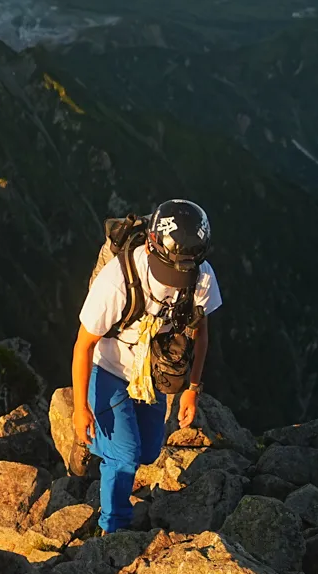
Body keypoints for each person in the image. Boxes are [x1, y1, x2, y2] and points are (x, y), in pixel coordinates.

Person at [71, 199, 220, 534]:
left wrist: (193, 390)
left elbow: (201, 333)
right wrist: (80, 408)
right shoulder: (117, 281)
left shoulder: (200, 276)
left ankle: (95, 444)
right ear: (152, 249)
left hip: (150, 374)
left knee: (149, 452)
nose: (175, 280)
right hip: (108, 367)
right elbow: (83, 345)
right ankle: (113, 532)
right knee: (125, 456)